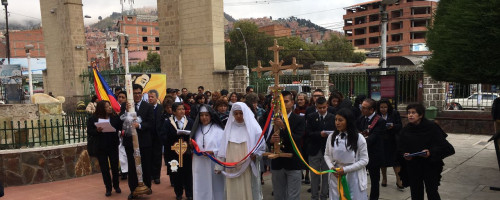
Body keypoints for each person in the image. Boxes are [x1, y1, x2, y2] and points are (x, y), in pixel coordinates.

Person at [399, 104, 451, 200]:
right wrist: (405, 154)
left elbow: (446, 147)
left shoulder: (431, 127)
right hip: (414, 166)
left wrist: (430, 152)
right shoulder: (406, 130)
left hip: (430, 165)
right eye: (409, 113)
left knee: (432, 192)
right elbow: (401, 147)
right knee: (416, 192)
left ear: (421, 115)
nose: (410, 115)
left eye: (413, 113)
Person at [217, 102, 265, 200]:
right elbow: (223, 148)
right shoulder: (229, 128)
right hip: (231, 166)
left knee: (247, 189)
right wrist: (219, 166)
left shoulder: (255, 129)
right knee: (233, 189)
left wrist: (255, 155)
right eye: (236, 113)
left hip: (247, 166)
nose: (238, 116)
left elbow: (261, 148)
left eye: (241, 113)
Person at [324, 108, 369, 200]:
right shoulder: (331, 137)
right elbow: (327, 155)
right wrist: (332, 168)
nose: (337, 123)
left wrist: (345, 169)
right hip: (336, 174)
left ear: (348, 121)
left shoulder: (358, 138)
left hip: (353, 176)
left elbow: (364, 160)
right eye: (336, 120)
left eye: (340, 120)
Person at [268, 91, 305, 200]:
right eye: (280, 102)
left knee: (293, 196)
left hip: (293, 162)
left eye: (286, 101)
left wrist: (284, 127)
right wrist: (271, 140)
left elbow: (297, 139)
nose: (283, 105)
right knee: (279, 195)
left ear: (292, 102)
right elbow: (266, 138)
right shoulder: (273, 118)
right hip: (277, 163)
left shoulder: (299, 119)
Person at [120, 84, 154, 199]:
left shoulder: (148, 106)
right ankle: (133, 190)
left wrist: (139, 125)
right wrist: (125, 112)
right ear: (131, 94)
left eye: (139, 93)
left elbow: (151, 123)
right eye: (135, 93)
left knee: (146, 165)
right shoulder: (125, 105)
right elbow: (120, 122)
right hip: (130, 142)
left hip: (144, 142)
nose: (137, 95)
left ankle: (147, 186)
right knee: (132, 166)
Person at [87, 100, 122, 197]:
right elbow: (90, 131)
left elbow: (120, 126)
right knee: (105, 169)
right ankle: (108, 188)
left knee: (115, 167)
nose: (110, 107)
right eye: (107, 107)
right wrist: (97, 130)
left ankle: (116, 185)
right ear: (102, 108)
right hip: (101, 147)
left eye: (109, 106)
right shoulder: (93, 119)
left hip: (113, 145)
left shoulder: (114, 117)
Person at [190, 105, 225, 200]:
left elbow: (224, 149)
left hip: (213, 164)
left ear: (211, 116)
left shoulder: (219, 130)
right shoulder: (196, 130)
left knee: (216, 186)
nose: (204, 118)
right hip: (199, 163)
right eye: (201, 115)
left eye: (206, 115)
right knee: (201, 184)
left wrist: (213, 152)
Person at [161, 103, 194, 200]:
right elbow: (163, 136)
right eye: (179, 109)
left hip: (186, 152)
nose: (182, 111)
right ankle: (178, 193)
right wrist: (174, 136)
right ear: (174, 112)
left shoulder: (189, 121)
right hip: (173, 153)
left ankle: (189, 193)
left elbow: (194, 134)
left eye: (183, 109)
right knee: (176, 173)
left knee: (188, 173)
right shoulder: (168, 123)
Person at [356, 98, 386, 200]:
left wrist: (360, 139)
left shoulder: (379, 121)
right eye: (361, 107)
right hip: (362, 154)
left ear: (371, 110)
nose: (362, 109)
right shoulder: (362, 118)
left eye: (364, 108)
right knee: (360, 178)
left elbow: (373, 138)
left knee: (374, 180)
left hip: (374, 155)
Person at [306, 97, 334, 200]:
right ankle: (314, 196)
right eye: (319, 108)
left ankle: (324, 196)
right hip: (314, 150)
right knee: (314, 176)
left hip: (328, 151)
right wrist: (319, 134)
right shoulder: (311, 117)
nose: (322, 110)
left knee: (327, 175)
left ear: (327, 106)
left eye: (324, 107)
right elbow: (308, 133)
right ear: (316, 107)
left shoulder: (332, 117)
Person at [377, 99, 403, 190]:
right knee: (383, 161)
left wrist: (393, 126)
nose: (383, 109)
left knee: (396, 161)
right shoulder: (377, 115)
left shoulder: (394, 113)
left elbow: (400, 125)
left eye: (385, 107)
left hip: (393, 141)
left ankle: (399, 179)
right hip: (382, 141)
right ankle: (384, 178)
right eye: (381, 107)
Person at [148, 90, 164, 185]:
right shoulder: (146, 108)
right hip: (148, 136)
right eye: (149, 97)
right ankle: (150, 175)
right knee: (148, 156)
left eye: (152, 97)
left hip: (158, 136)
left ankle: (157, 176)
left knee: (157, 156)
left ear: (156, 98)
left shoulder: (161, 108)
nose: (150, 98)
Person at [116, 91, 128, 180]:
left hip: (129, 134)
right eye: (119, 97)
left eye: (123, 97)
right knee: (121, 153)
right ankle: (123, 171)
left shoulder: (126, 107)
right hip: (120, 134)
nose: (120, 99)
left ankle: (128, 170)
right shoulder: (114, 107)